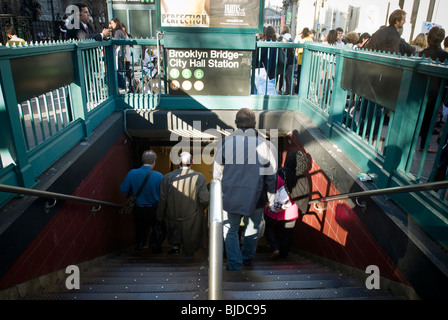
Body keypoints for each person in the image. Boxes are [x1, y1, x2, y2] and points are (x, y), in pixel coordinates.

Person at [213, 108, 277, 270]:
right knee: (252, 228)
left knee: (230, 229)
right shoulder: (265, 144)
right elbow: (271, 175)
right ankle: (247, 257)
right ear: (253, 123)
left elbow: (217, 174)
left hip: (229, 196)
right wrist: (272, 198)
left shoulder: (226, 143)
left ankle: (234, 263)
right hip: (256, 196)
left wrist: (218, 194)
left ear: (236, 123)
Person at [157, 152, 209, 260]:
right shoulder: (199, 177)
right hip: (193, 215)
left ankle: (175, 248)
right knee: (191, 232)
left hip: (172, 213)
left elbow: (162, 199)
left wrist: (160, 215)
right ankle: (188, 252)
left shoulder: (167, 177)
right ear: (192, 162)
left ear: (177, 162)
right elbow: (204, 199)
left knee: (174, 230)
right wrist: (201, 208)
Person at [264, 150, 309, 260]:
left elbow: (272, 187)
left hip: (276, 209)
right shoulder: (304, 179)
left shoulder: (281, 172)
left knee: (268, 226)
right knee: (287, 234)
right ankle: (283, 256)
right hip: (291, 212)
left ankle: (275, 248)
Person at [120, 150, 164, 251]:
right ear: (154, 161)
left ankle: (140, 245)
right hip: (154, 208)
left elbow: (123, 189)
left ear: (142, 160)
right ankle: (156, 247)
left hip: (139, 208)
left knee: (140, 228)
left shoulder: (132, 173)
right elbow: (163, 193)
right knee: (156, 228)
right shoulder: (159, 176)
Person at [418, 27, 448, 153]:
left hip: (421, 90)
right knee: (429, 119)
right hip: (436, 92)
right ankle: (424, 145)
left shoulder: (422, 53)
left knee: (419, 117)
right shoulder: (445, 56)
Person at [109, 18, 129, 90]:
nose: (111, 25)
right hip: (121, 52)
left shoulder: (117, 32)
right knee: (120, 68)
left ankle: (121, 84)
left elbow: (116, 43)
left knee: (118, 68)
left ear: (116, 23)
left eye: (112, 23)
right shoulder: (121, 31)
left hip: (118, 52)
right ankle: (122, 84)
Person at [295, 27, 314, 94]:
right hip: (308, 61)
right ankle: (305, 90)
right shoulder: (311, 40)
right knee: (306, 76)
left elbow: (299, 51)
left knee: (300, 77)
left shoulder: (303, 40)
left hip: (301, 61)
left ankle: (299, 90)